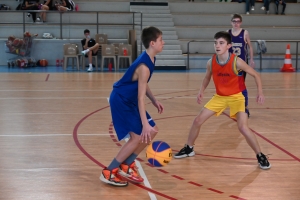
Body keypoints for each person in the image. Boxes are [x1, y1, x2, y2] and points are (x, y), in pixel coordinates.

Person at [174, 31, 271, 170]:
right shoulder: (211, 62)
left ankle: (260, 155)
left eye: (221, 43)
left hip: (237, 96)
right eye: (215, 43)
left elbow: (255, 75)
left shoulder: (237, 61)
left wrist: (260, 92)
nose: (217, 46)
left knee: (243, 127)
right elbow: (207, 77)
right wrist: (201, 91)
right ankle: (189, 148)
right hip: (220, 97)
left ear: (229, 46)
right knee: (197, 121)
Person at [100, 26, 165, 187]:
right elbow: (140, 97)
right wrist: (144, 124)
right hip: (122, 100)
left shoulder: (151, 59)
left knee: (153, 130)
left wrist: (155, 100)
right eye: (161, 40)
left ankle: (127, 164)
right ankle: (109, 171)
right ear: (152, 43)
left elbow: (143, 84)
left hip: (129, 100)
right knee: (138, 136)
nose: (163, 43)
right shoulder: (143, 66)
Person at [228, 13, 254, 117]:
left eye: (238, 21)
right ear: (231, 22)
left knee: (241, 85)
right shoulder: (227, 33)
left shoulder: (245, 33)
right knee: (231, 85)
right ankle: (236, 106)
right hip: (230, 64)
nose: (236, 23)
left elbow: (250, 47)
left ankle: (245, 107)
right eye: (234, 21)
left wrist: (251, 59)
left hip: (241, 64)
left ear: (241, 22)